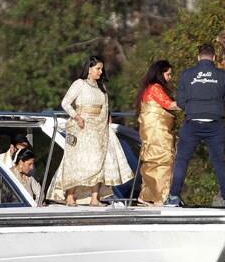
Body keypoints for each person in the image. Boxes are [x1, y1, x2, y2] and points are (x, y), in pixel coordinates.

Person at [47, 56, 134, 206]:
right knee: (77, 161)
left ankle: (95, 198)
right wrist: (77, 117)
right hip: (82, 126)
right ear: (89, 69)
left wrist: (107, 120)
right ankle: (70, 196)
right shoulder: (79, 84)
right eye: (97, 68)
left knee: (100, 161)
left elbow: (105, 106)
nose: (100, 72)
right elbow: (65, 103)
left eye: (101, 69)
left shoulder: (102, 87)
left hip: (99, 127)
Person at [165, 44, 225, 208]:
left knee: (182, 160)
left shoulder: (186, 75)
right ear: (214, 58)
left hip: (192, 123)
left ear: (198, 58)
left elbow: (180, 102)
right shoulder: (222, 75)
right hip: (215, 124)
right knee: (219, 161)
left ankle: (173, 197)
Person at [135, 60, 181, 206]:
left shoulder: (149, 88)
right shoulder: (155, 88)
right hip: (158, 133)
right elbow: (170, 105)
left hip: (154, 133)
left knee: (152, 163)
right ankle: (160, 197)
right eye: (168, 74)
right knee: (163, 160)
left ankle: (147, 195)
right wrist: (191, 102)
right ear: (159, 74)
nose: (170, 78)